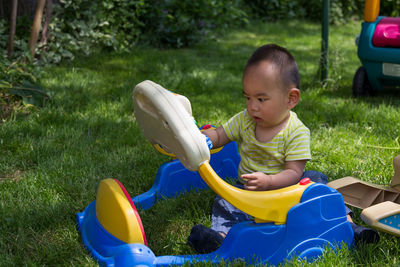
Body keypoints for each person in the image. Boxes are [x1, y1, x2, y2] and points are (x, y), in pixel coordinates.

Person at [187, 44, 379, 254]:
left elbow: (294, 172)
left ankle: (348, 226)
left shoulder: (296, 131)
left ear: (291, 98)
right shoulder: (245, 120)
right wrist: (203, 138)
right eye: (247, 97)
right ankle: (221, 239)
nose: (252, 106)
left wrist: (269, 181)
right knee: (225, 200)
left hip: (289, 193)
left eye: (261, 99)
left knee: (319, 185)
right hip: (248, 191)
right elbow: (220, 134)